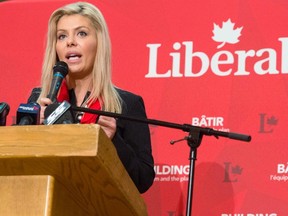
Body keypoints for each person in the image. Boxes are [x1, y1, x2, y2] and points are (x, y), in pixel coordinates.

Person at [28, 1, 155, 193]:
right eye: (62, 36)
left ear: (98, 43)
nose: (70, 42)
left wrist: (112, 143)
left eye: (81, 33)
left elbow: (142, 179)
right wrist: (34, 130)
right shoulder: (39, 100)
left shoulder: (126, 104)